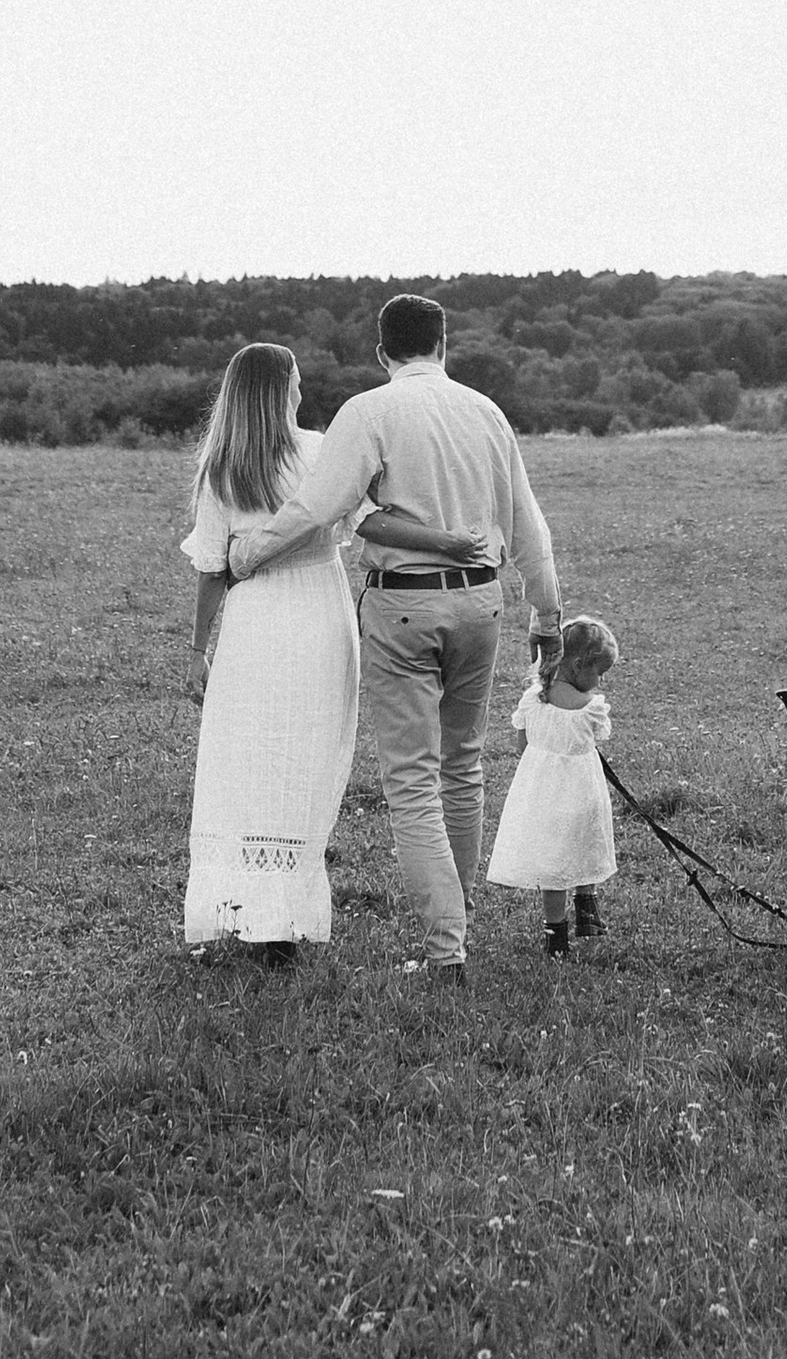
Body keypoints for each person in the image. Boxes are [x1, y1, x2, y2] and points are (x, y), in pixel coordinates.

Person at [223, 293, 564, 977]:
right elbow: (527, 521)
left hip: (404, 606)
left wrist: (249, 552)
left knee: (411, 781)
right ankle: (456, 925)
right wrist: (547, 615)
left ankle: (446, 949)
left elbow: (318, 506)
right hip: (481, 605)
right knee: (463, 768)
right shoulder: (487, 411)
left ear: (382, 352)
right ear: (444, 344)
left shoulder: (368, 411)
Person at [179, 341, 483, 955]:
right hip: (319, 609)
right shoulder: (319, 450)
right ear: (281, 390)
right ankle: (283, 912)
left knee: (248, 757)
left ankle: (246, 910)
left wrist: (197, 649)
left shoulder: (222, 467)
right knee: (308, 757)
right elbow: (369, 521)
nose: (301, 388)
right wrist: (446, 542)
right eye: (295, 379)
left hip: (254, 617)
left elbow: (213, 568)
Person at [484, 613, 619, 954]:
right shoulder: (591, 708)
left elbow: (522, 745)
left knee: (552, 864)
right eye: (599, 672)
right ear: (578, 665)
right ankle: (586, 903)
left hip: (541, 795)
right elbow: (593, 742)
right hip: (582, 794)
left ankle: (555, 933)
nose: (600, 681)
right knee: (584, 846)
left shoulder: (533, 699)